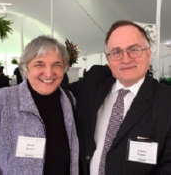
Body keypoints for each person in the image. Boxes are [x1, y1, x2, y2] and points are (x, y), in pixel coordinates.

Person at [68, 20, 171, 175]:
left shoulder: (166, 101)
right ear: (108, 59)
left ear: (148, 53)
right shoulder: (92, 84)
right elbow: (54, 92)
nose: (126, 59)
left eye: (134, 49)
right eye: (116, 52)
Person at [0, 36, 79, 175]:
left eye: (57, 65)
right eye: (39, 64)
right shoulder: (0, 101)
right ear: (26, 68)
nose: (49, 73)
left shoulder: (69, 100)